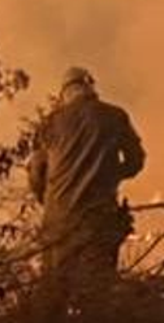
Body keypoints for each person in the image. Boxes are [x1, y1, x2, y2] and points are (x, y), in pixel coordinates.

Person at [28, 67, 146, 308]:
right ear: (90, 86)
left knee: (53, 297)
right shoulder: (114, 116)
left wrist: (49, 201)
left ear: (64, 93)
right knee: (96, 296)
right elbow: (136, 161)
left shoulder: (49, 124)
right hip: (97, 221)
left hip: (57, 224)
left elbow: (36, 175)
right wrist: (112, 174)